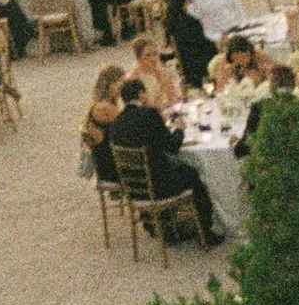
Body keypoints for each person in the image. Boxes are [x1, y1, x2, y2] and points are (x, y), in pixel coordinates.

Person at [108, 77, 225, 245]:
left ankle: (165, 229)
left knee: (168, 168)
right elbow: (171, 147)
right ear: (141, 95)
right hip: (159, 185)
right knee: (193, 174)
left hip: (133, 188)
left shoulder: (116, 123)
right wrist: (179, 129)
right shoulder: (149, 113)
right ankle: (206, 232)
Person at [79, 62, 128, 187]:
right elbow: (127, 126)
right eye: (121, 83)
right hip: (111, 166)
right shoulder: (104, 107)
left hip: (111, 160)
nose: (125, 87)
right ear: (111, 85)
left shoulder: (107, 103)